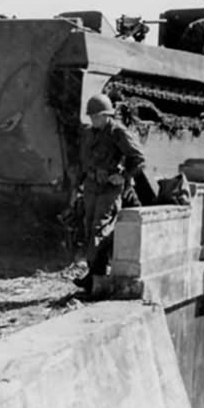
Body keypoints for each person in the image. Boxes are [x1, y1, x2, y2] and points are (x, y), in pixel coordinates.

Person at [71, 93, 146, 289]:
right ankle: (94, 274)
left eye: (97, 116)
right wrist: (77, 186)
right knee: (89, 227)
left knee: (100, 228)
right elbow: (83, 162)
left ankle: (97, 276)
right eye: (91, 117)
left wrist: (124, 176)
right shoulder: (89, 133)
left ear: (106, 115)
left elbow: (138, 158)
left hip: (109, 189)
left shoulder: (117, 132)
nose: (93, 120)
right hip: (91, 186)